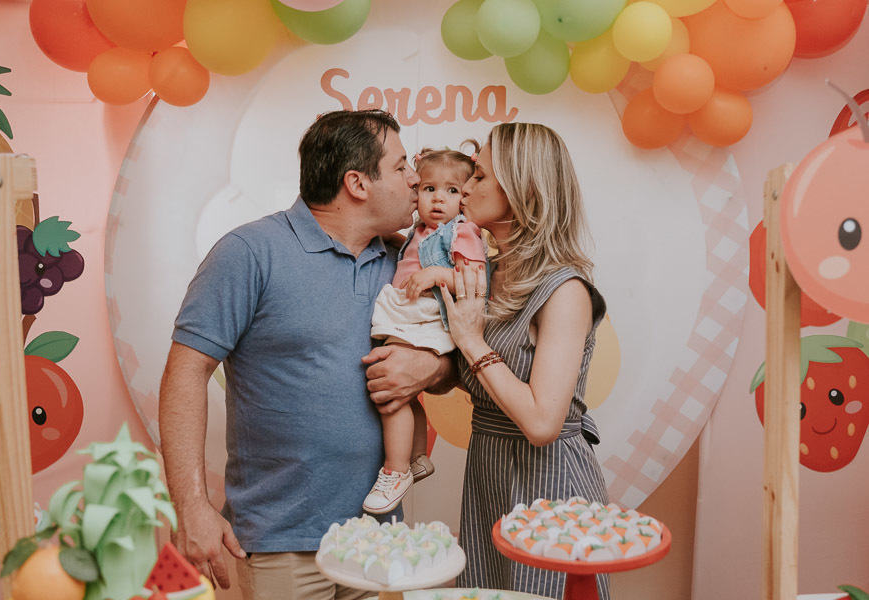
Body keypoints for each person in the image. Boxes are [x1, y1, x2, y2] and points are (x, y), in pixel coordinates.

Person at [158, 109, 455, 600]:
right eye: (402, 166)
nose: (415, 179)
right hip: (282, 541)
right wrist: (191, 505)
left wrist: (433, 365)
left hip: (378, 538)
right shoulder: (249, 252)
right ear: (357, 183)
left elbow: (449, 366)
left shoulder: (406, 259)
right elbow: (186, 371)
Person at [440, 123, 611, 600]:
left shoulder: (565, 291)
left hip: (550, 483)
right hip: (488, 473)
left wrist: (471, 342)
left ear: (522, 191)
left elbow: (541, 422)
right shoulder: (483, 275)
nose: (465, 187)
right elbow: (467, 377)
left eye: (480, 177)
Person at [362, 144, 487, 515]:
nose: (437, 199)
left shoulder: (462, 232)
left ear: (464, 198)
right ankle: (417, 456)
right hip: (409, 311)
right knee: (407, 390)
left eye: (451, 191)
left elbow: (477, 279)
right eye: (429, 189)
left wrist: (436, 274)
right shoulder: (418, 231)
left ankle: (396, 470)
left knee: (390, 392)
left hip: (427, 315)